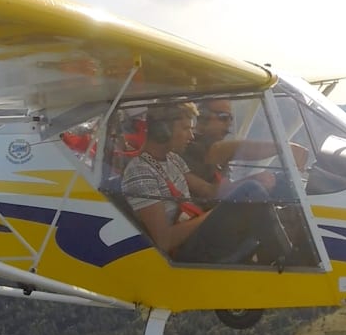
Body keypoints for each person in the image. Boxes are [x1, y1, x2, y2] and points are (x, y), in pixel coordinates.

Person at [121, 103, 289, 265]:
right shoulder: (140, 172)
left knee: (279, 181)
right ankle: (289, 260)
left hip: (196, 237)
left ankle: (281, 257)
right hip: (182, 253)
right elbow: (164, 241)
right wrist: (213, 213)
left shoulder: (173, 159)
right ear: (162, 131)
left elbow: (209, 192)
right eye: (186, 128)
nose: (191, 136)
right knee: (251, 191)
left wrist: (246, 177)